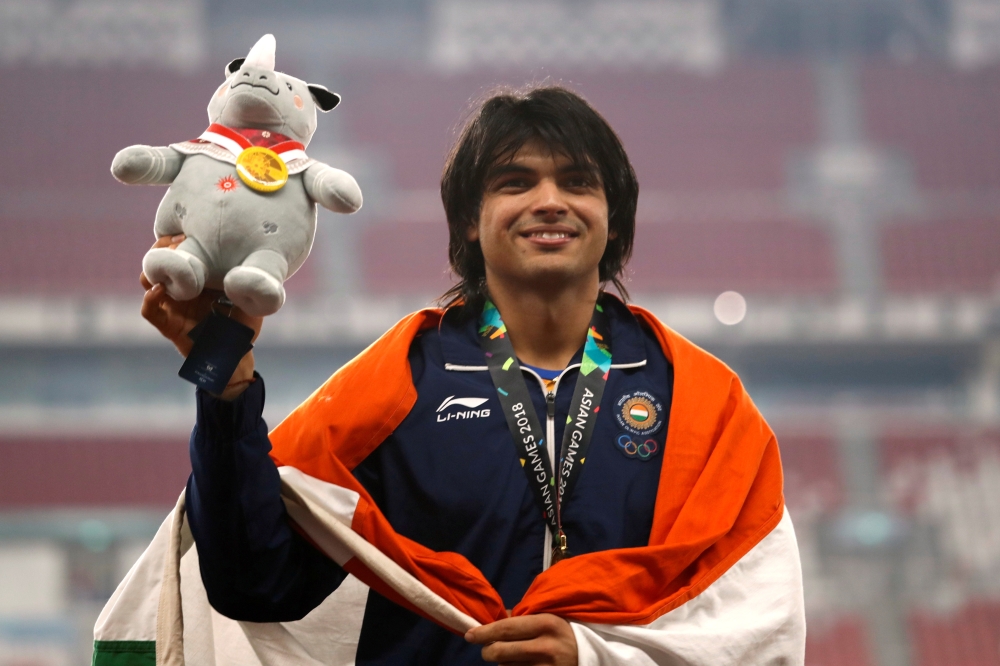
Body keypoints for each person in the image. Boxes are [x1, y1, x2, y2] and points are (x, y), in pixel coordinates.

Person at [141, 86, 805, 665]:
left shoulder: (700, 399)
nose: (550, 202)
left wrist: (595, 657)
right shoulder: (399, 382)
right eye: (515, 183)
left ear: (615, 217)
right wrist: (225, 380)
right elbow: (251, 581)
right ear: (468, 219)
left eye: (578, 182)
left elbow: (750, 627)